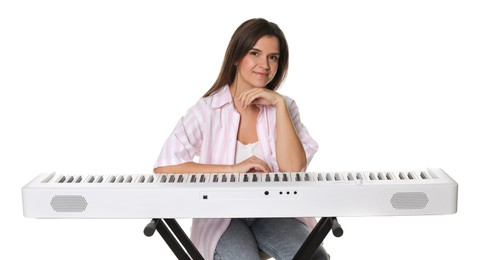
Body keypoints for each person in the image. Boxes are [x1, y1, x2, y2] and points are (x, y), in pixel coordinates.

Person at [154, 18, 329, 260]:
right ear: (236, 57)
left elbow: (293, 169)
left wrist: (278, 104)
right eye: (255, 53)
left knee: (315, 256)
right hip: (222, 216)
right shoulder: (207, 110)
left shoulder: (285, 107)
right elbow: (165, 168)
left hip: (274, 212)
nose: (264, 65)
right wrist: (233, 169)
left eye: (273, 57)